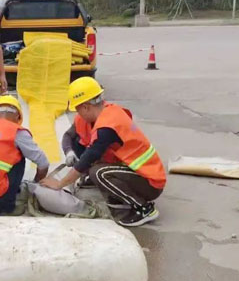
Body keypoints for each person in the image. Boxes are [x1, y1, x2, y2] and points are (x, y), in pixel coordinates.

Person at [41, 77, 166, 227]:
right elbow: (70, 136)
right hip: (133, 171)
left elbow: (87, 159)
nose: (77, 114)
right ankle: (118, 191)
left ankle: (144, 209)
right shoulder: (104, 113)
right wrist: (69, 152)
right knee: (83, 154)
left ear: (86, 106)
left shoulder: (108, 126)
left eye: (78, 109)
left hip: (150, 181)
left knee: (98, 173)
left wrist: (60, 184)